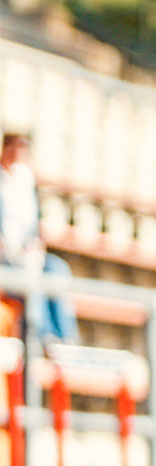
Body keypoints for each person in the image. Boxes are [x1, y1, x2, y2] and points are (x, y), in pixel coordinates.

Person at [0, 132, 76, 350]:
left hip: (26, 253)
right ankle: (43, 338)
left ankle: (65, 337)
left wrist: (36, 246)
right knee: (32, 277)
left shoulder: (27, 182)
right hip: (6, 256)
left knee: (57, 269)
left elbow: (36, 224)